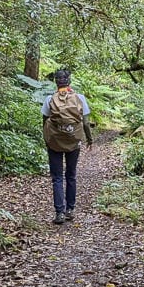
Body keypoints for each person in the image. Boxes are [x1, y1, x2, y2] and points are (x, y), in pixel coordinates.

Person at [42, 68, 93, 225]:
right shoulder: (80, 98)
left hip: (54, 142)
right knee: (71, 175)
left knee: (57, 177)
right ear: (69, 81)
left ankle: (59, 213)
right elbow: (84, 122)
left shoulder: (49, 99)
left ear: (56, 82)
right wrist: (89, 139)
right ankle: (70, 210)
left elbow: (45, 121)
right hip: (73, 142)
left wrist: (47, 139)